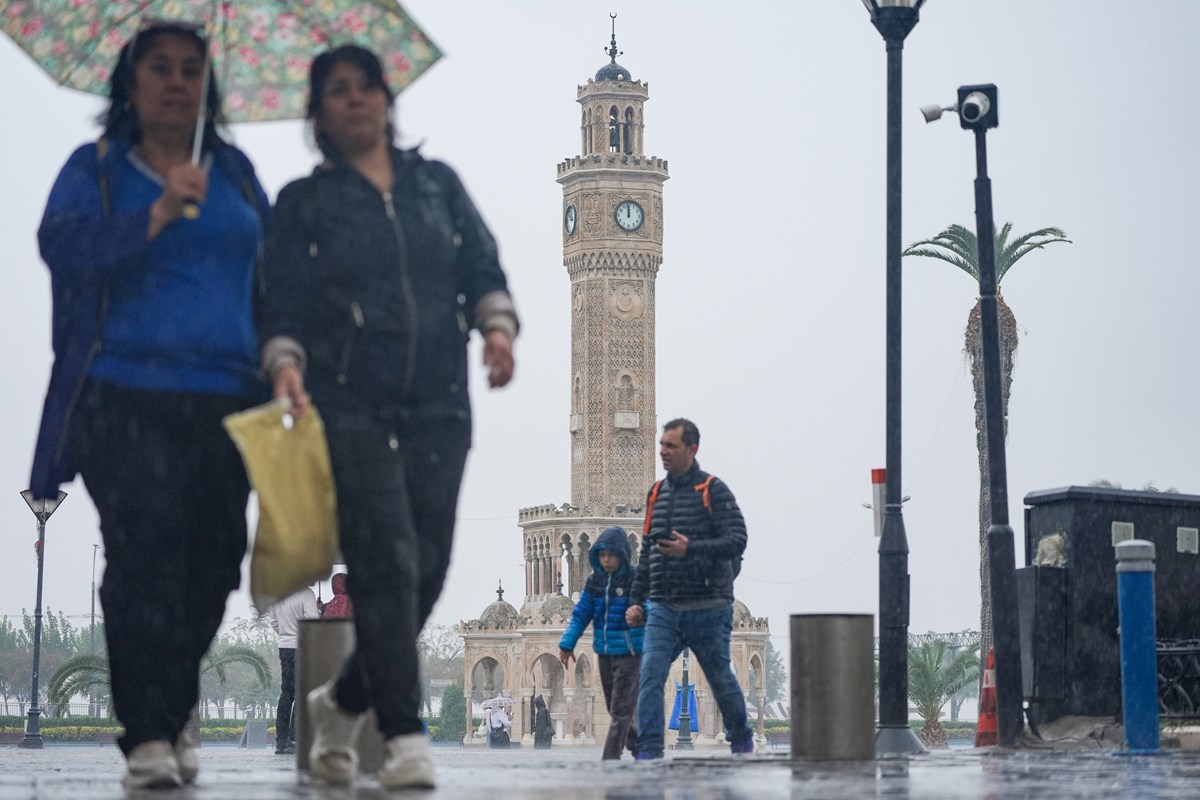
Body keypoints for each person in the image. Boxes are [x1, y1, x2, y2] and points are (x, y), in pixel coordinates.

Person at [260, 45, 517, 790]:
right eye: (336, 90)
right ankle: (404, 738)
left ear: (386, 98)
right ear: (317, 112)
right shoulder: (304, 204)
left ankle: (339, 703)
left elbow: (483, 267)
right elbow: (282, 300)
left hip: (441, 404)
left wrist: (497, 328)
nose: (354, 100)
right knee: (384, 565)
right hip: (350, 406)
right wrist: (284, 363)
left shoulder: (436, 186)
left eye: (365, 86)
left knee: (428, 568)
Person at [28, 21, 268, 791]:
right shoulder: (96, 168)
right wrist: (155, 216)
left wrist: (287, 358)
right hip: (122, 395)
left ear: (208, 86)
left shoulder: (231, 170)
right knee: (143, 555)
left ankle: (170, 705)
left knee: (215, 562)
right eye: (158, 68)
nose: (175, 81)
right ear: (129, 84)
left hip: (229, 401)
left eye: (191, 69)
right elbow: (62, 247)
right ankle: (150, 735)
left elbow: (276, 274)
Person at [625, 419, 754, 759]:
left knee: (720, 680)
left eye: (671, 446)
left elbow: (737, 540)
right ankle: (650, 750)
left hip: (708, 606)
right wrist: (637, 601)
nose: (663, 452)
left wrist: (691, 548)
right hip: (664, 607)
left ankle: (741, 739)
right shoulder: (656, 494)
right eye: (662, 445)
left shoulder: (713, 490)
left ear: (691, 449)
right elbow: (648, 552)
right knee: (650, 674)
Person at [559, 526, 643, 760]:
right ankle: (641, 746)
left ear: (622, 555)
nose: (606, 560)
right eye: (602, 555)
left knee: (619, 709)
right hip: (605, 652)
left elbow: (650, 605)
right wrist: (567, 644)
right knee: (614, 707)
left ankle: (610, 759)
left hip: (630, 653)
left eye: (611, 555)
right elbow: (581, 614)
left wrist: (640, 612)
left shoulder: (634, 579)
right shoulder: (594, 583)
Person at [269, 586, 320, 755]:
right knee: (301, 692)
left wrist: (285, 635)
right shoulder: (307, 594)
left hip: (284, 647)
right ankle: (294, 738)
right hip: (302, 648)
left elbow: (274, 622)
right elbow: (312, 621)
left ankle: (280, 741)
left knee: (286, 692)